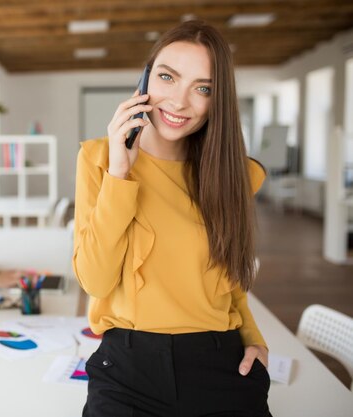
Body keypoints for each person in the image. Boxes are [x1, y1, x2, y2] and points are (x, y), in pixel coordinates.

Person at [73, 20, 272, 417]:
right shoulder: (98, 159)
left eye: (203, 88)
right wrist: (119, 173)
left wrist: (254, 337)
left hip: (219, 358)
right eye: (167, 77)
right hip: (128, 367)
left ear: (218, 101)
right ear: (145, 79)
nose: (180, 102)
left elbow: (228, 278)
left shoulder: (233, 174)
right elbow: (95, 280)